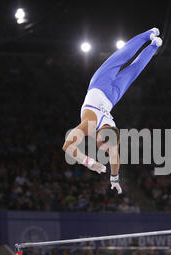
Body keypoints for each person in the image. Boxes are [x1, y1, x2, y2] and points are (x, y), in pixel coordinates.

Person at [62, 28, 163, 194]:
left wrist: (110, 175)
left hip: (109, 98)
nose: (101, 146)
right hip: (101, 87)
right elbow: (67, 146)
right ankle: (148, 36)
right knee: (122, 60)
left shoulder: (111, 137)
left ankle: (153, 45)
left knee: (132, 71)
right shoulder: (90, 125)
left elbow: (114, 159)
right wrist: (92, 164)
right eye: (104, 144)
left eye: (103, 145)